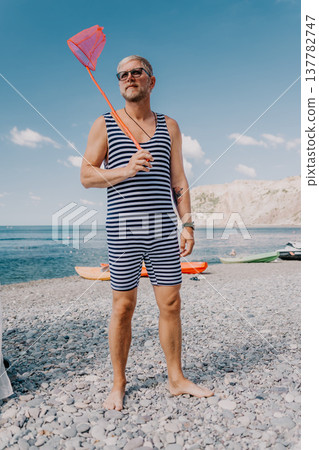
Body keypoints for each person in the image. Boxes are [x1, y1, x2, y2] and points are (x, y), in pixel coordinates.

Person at [81, 55, 214, 410]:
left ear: (151, 82)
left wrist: (187, 222)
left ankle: (176, 379)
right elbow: (86, 175)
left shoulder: (169, 126)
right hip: (123, 231)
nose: (128, 77)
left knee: (171, 304)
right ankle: (118, 383)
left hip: (162, 232)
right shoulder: (105, 124)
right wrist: (124, 170)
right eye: (122, 74)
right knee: (123, 306)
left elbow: (179, 180)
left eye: (136, 72)